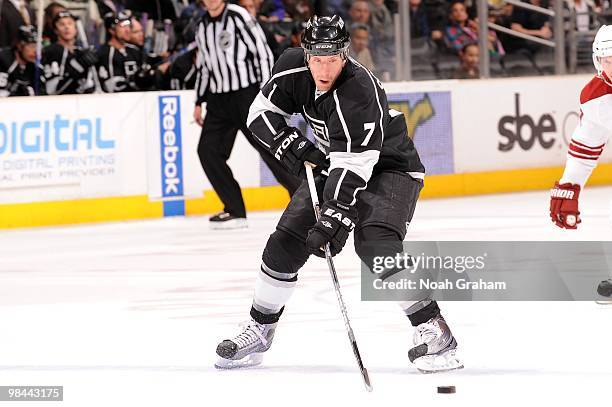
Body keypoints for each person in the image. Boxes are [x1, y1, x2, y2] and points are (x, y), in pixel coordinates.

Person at [214, 15, 463, 373]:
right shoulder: (290, 68)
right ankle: (261, 329)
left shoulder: (360, 89)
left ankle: (435, 331)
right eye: (317, 58)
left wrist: (336, 215)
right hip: (338, 162)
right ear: (305, 54)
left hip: (389, 167)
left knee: (376, 244)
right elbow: (260, 113)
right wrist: (292, 146)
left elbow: (356, 165)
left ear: (345, 55)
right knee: (284, 242)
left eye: (332, 58)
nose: (324, 67)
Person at [193, 0, 301, 229]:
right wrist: (199, 100)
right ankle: (234, 209)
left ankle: (305, 199)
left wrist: (266, 92)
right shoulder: (201, 25)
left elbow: (262, 53)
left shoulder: (238, 16)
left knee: (271, 148)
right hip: (218, 100)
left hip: (247, 95)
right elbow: (204, 65)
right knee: (208, 151)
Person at [548, 25, 612, 299]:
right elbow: (587, 144)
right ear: (598, 61)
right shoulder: (597, 98)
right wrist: (570, 184)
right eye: (609, 60)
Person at [97, 10, 156, 92]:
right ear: (112, 30)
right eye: (123, 26)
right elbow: (111, 86)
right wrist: (134, 81)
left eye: (129, 26)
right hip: (117, 101)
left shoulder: (134, 50)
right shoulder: (105, 53)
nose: (128, 30)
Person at [42, 11, 98, 95]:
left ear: (76, 29)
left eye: (70, 23)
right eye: (62, 24)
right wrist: (78, 66)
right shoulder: (51, 51)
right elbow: (52, 90)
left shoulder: (80, 51)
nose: (66, 27)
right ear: (56, 30)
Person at [0, 25, 44, 97]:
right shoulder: (3, 60)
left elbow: (42, 93)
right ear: (20, 46)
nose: (36, 51)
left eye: (38, 46)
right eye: (32, 46)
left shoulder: (36, 66)